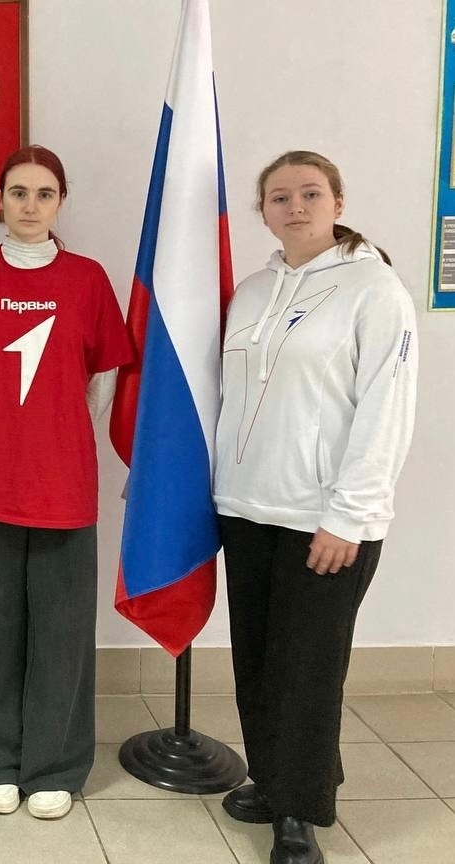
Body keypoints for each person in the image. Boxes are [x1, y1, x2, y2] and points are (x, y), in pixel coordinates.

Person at [214, 150, 417, 864]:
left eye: (309, 193)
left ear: (337, 202)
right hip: (247, 507)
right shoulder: (251, 292)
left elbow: (386, 410)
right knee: (258, 658)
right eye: (280, 197)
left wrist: (349, 516)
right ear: (263, 211)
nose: (295, 207)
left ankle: (298, 813)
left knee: (307, 669)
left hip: (322, 520)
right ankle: (273, 779)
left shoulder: (374, 289)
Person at [0, 145, 132, 820]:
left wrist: (53, 433)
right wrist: (9, 432)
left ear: (61, 201)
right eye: (18, 192)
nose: (30, 205)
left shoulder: (88, 279)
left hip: (65, 485)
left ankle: (55, 764)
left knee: (62, 630)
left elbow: (102, 381)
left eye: (44, 193)